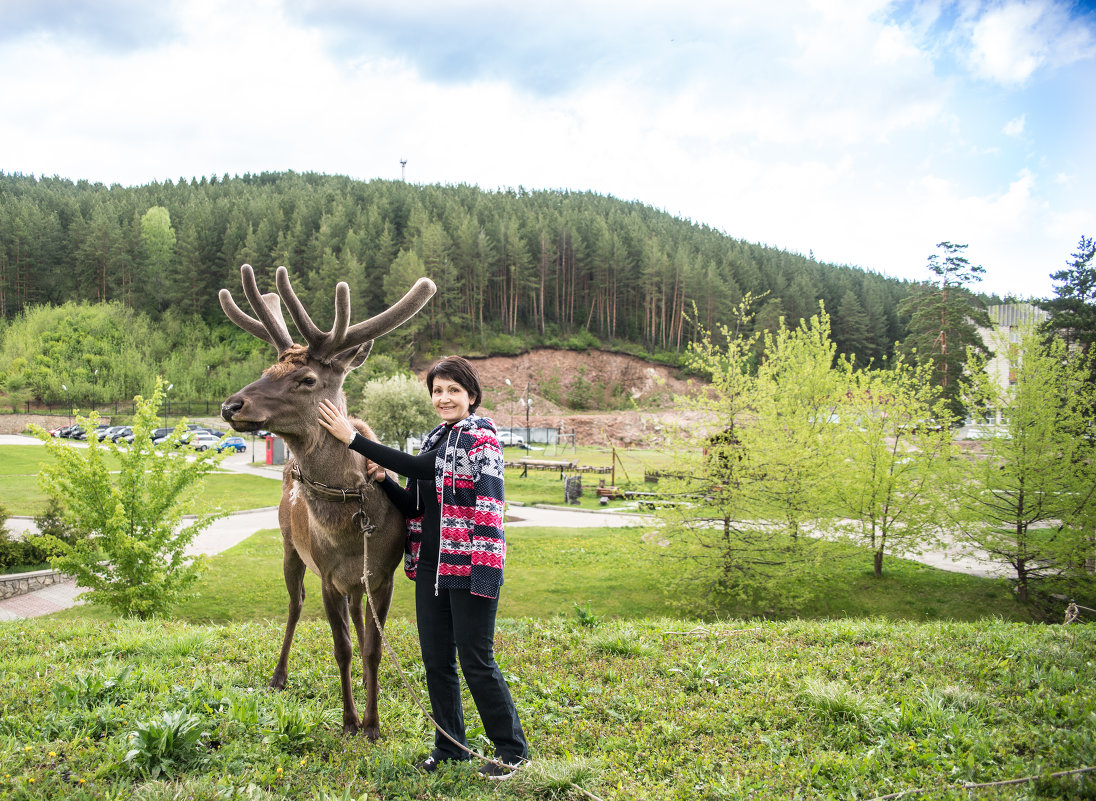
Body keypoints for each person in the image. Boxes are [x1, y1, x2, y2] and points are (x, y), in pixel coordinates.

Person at [317, 356, 528, 779]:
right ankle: (451, 748)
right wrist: (384, 482)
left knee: (475, 659)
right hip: (432, 568)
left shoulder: (478, 438)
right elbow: (416, 503)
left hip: (470, 565)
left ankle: (511, 751)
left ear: (471, 395)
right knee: (436, 661)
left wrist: (353, 438)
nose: (444, 398)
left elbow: (418, 467)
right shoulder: (438, 439)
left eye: (453, 390)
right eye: (438, 390)